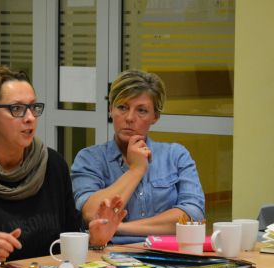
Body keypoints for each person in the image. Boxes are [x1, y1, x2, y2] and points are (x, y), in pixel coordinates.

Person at [0, 66, 125, 264]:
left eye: (33, 107)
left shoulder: (52, 165)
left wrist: (94, 241)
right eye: (16, 109)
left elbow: (65, 249)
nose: (30, 118)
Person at [71, 70, 205, 244]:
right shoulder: (90, 158)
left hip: (166, 254)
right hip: (110, 254)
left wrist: (117, 227)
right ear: (110, 110)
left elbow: (193, 216)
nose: (129, 118)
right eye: (122, 107)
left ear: (155, 117)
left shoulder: (176, 156)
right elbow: (91, 213)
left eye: (141, 110)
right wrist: (136, 170)